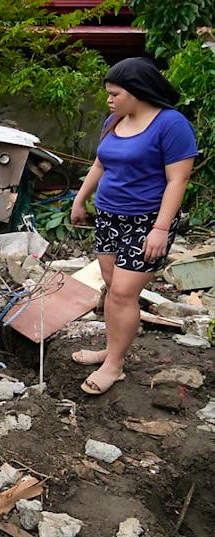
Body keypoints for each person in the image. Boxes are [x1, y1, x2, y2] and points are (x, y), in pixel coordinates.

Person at [70, 57, 197, 395]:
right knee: (114, 289)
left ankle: (115, 365)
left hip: (147, 221)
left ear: (137, 91)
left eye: (115, 93)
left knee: (125, 293)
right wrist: (80, 198)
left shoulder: (172, 125)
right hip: (109, 216)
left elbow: (178, 180)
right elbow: (100, 162)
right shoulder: (115, 120)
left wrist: (160, 228)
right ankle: (112, 351)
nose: (109, 100)